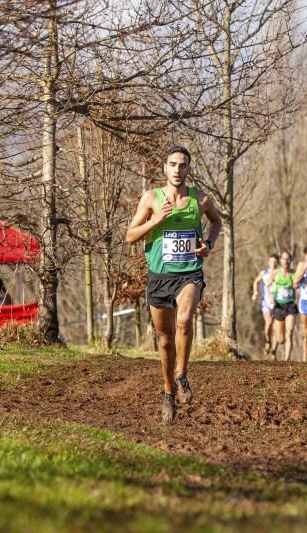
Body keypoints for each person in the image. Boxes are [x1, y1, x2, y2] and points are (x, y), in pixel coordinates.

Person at [125, 145, 222, 424]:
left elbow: (216, 222)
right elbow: (130, 236)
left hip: (189, 272)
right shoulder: (151, 198)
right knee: (165, 338)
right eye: (173, 165)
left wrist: (209, 244)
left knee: (184, 319)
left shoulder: (200, 199)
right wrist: (156, 220)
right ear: (165, 168)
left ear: (189, 169)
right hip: (159, 276)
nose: (178, 170)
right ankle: (168, 391)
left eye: (183, 165)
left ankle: (182, 372)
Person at [268, 250, 298, 362]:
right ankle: (273, 349)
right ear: (280, 260)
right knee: (280, 339)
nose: (286, 261)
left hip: (290, 305)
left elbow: (299, 285)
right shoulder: (275, 273)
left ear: (290, 260)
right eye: (284, 259)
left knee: (289, 332)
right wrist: (270, 296)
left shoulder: (294, 273)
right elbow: (267, 285)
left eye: (288, 259)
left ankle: (286, 360)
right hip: (279, 305)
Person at [252, 254, 278, 357]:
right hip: (266, 302)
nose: (273, 264)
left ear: (278, 263)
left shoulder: (279, 273)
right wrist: (255, 292)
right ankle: (268, 341)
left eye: (275, 262)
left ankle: (274, 351)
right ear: (268, 262)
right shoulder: (264, 273)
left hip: (277, 302)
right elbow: (255, 282)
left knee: (276, 327)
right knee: (269, 322)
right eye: (271, 261)